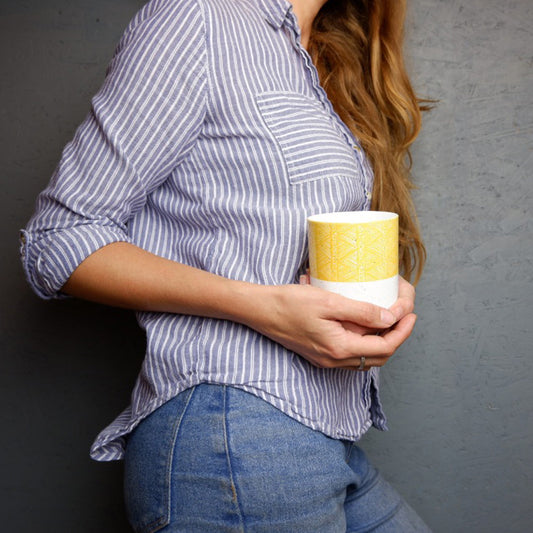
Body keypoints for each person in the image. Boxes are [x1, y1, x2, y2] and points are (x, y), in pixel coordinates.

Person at [20, 0, 433, 530]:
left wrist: (380, 292)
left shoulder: (326, 53)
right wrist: (263, 308)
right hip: (233, 428)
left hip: (322, 434)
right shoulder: (198, 18)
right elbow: (59, 240)